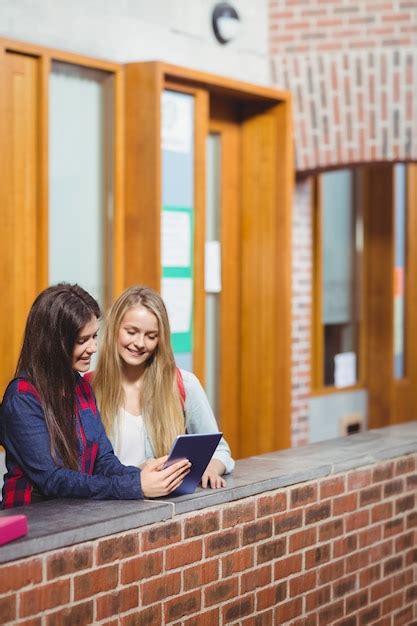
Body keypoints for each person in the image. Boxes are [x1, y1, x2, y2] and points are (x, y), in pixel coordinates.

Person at [1, 283, 190, 508]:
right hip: (32, 523)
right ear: (53, 343)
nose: (93, 348)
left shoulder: (81, 387)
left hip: (78, 516)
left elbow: (104, 460)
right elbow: (52, 480)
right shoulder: (22, 398)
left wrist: (144, 477)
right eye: (82, 340)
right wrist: (135, 486)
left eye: (94, 337)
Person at [88, 285, 234, 488]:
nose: (140, 343)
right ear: (114, 329)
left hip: (164, 511)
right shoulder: (87, 388)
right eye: (131, 332)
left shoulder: (184, 384)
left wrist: (210, 468)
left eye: (151, 336)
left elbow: (219, 450)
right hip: (108, 509)